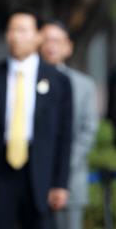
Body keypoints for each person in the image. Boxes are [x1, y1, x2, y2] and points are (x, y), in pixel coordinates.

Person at [0, 7, 72, 229]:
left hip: (40, 173)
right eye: (11, 30)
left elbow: (64, 136)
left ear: (38, 35)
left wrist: (60, 183)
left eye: (23, 30)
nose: (15, 36)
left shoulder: (58, 80)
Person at [40, 20, 99, 229]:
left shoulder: (84, 85)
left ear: (68, 46)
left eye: (56, 40)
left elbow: (88, 130)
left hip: (71, 180)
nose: (50, 46)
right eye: (45, 39)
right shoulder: (23, 80)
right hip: (31, 182)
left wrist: (62, 165)